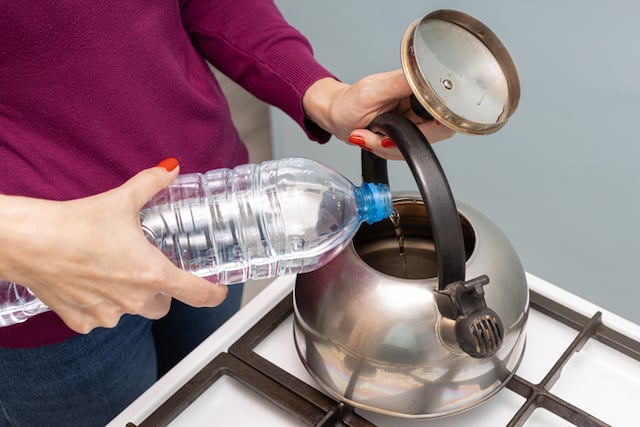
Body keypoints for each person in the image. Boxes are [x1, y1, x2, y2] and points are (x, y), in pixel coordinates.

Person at [0, 1, 454, 425]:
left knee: (206, 407)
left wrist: (322, 94)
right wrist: (19, 240)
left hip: (216, 223)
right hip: (52, 275)